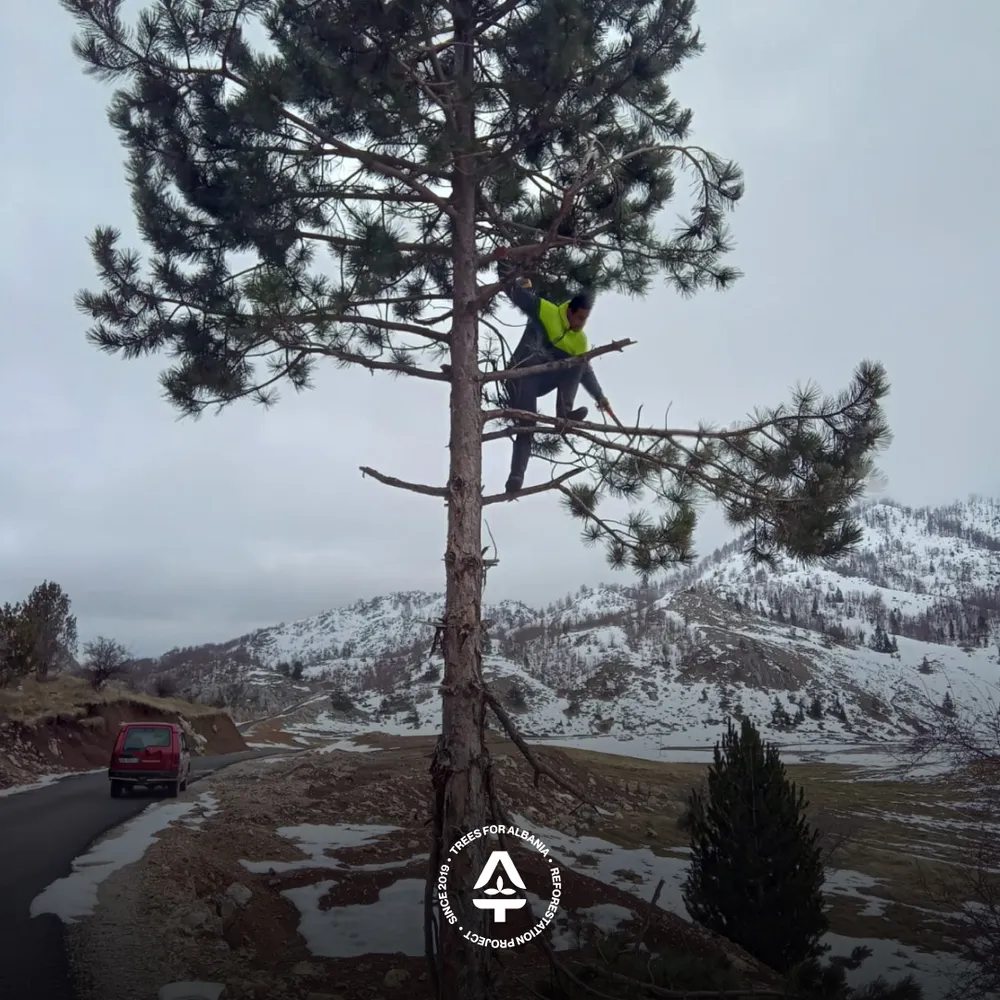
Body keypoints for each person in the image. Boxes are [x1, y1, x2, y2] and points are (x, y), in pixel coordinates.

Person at [494, 248, 612, 495]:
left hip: (545, 379)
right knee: (528, 423)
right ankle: (516, 477)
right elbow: (517, 295)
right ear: (569, 310)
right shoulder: (546, 311)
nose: (580, 324)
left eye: (585, 320)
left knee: (578, 361)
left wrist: (600, 397)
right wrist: (502, 262)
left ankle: (564, 413)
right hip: (521, 375)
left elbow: (586, 372)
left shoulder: (579, 340)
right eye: (578, 318)